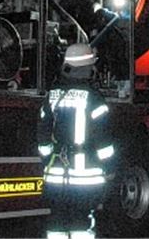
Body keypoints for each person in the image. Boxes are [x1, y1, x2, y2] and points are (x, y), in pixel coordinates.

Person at [38, 42, 116, 239]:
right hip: (85, 178)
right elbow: (103, 141)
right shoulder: (94, 99)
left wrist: (47, 161)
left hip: (55, 177)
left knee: (57, 223)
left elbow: (43, 136)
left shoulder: (52, 95)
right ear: (86, 68)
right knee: (81, 225)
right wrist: (110, 168)